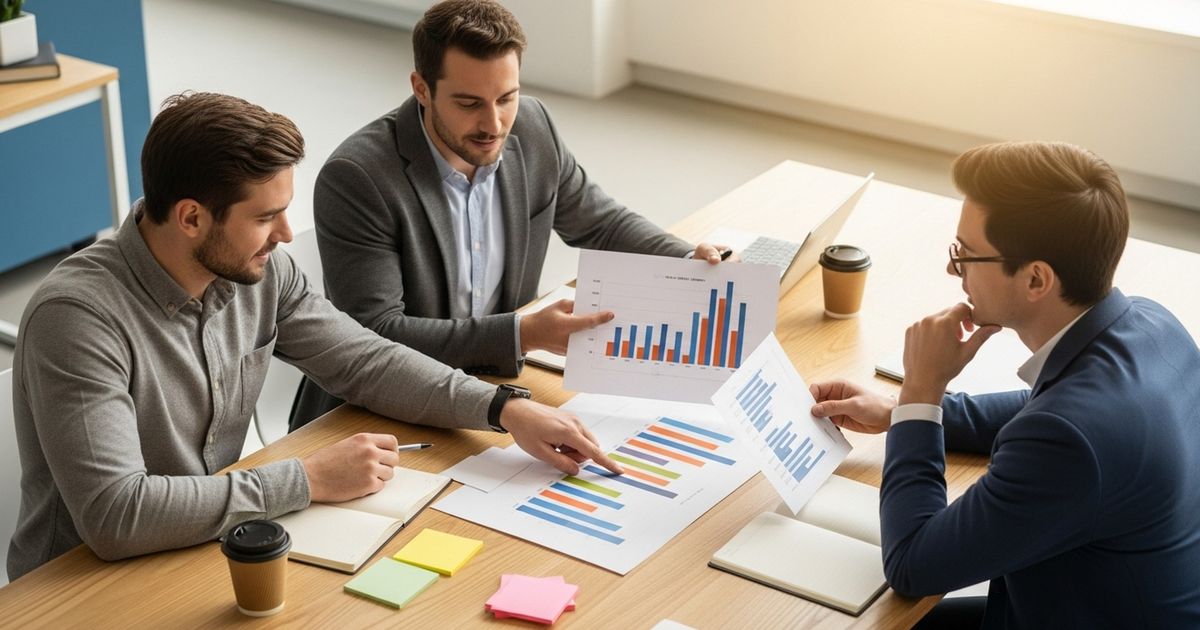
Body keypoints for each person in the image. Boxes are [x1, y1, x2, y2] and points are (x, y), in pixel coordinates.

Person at [7, 91, 623, 582]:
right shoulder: (78, 320)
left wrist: (503, 406)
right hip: (84, 585)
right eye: (264, 216)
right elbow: (118, 515)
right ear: (192, 217)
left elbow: (365, 361)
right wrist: (307, 479)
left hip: (217, 541)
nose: (285, 234)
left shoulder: (257, 270)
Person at [809, 142, 1200, 627]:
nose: (954, 269)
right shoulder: (1152, 323)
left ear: (1036, 279)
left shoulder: (1068, 441)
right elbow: (1042, 410)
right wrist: (897, 412)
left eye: (967, 254)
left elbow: (912, 565)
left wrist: (922, 392)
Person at [289, 0, 731, 429]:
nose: (495, 124)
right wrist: (522, 334)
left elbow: (599, 221)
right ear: (421, 88)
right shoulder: (358, 177)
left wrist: (686, 260)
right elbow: (375, 334)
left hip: (496, 384)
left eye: (507, 97)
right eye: (469, 103)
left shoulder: (533, 127)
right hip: (378, 409)